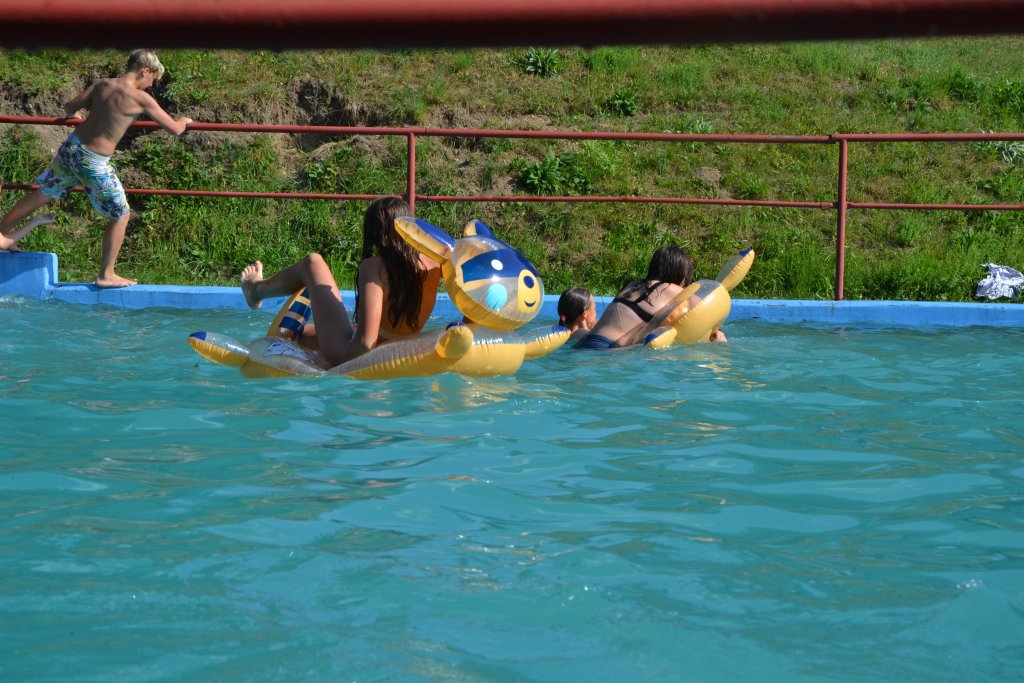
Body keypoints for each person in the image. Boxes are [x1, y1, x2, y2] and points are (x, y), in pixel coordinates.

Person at [0, 49, 192, 287]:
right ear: (145, 70)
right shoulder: (141, 98)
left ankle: (2, 233)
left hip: (72, 148)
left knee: (44, 193)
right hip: (93, 161)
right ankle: (106, 275)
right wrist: (184, 121)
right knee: (121, 215)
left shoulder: (102, 84)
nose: (152, 84)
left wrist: (77, 115)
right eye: (153, 78)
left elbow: (69, 107)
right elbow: (174, 129)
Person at [239, 196, 442, 369]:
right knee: (304, 335)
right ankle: (295, 336)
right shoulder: (435, 262)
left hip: (354, 353)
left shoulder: (375, 267)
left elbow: (366, 342)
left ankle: (255, 290)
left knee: (312, 263)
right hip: (398, 346)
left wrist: (335, 369)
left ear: (375, 234)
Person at [575, 245, 726, 349]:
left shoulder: (632, 285)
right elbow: (702, 306)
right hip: (609, 351)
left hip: (583, 344)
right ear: (681, 276)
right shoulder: (673, 289)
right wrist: (713, 332)